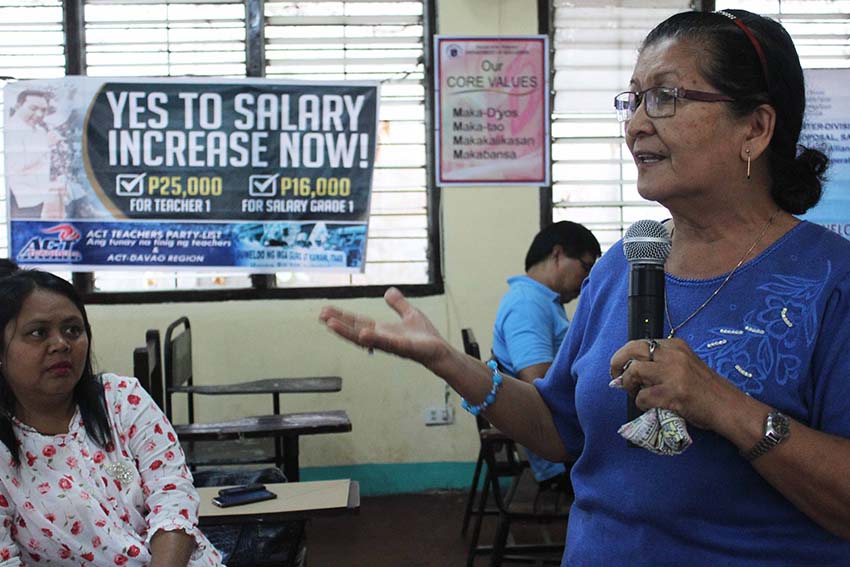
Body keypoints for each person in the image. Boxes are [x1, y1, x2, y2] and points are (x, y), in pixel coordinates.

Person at [320, 9, 850, 566]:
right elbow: (557, 429)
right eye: (633, 100)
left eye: (666, 97)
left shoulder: (830, 280)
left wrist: (725, 407)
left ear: (756, 128)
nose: (637, 124)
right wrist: (447, 360)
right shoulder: (624, 263)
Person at [0, 270, 224, 566]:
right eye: (38, 332)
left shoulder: (121, 399)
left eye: (72, 330)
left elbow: (172, 493)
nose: (60, 344)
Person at [491, 221, 599, 485]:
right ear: (558, 254)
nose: (587, 279)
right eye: (586, 266)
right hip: (557, 447)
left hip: (563, 433)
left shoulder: (542, 301)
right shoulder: (528, 304)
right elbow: (537, 381)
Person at [5, 89, 68, 219]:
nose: (39, 114)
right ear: (18, 106)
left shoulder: (39, 130)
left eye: (44, 110)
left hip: (36, 197)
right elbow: (15, 166)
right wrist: (46, 144)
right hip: (19, 198)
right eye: (33, 108)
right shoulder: (11, 130)